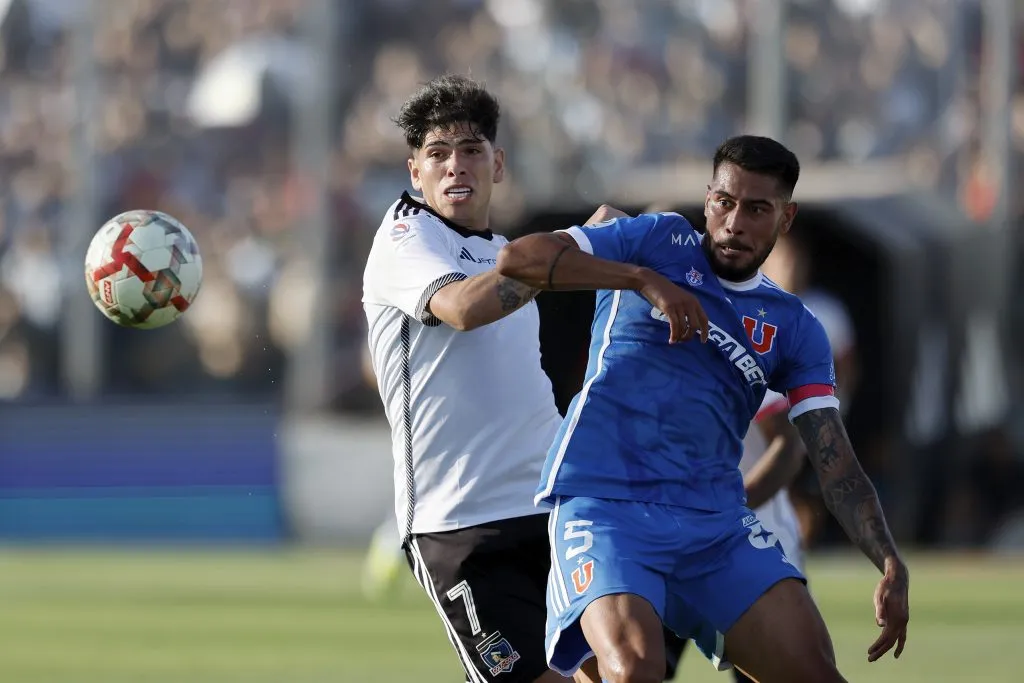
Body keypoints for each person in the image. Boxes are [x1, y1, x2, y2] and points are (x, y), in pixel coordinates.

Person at [495, 135, 910, 683]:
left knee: (816, 673)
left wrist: (888, 559)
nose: (735, 222)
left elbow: (834, 464)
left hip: (714, 523)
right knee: (634, 670)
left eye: (757, 209)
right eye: (724, 202)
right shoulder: (657, 240)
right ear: (708, 199)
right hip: (604, 506)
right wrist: (642, 280)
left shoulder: (795, 328)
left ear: (786, 219)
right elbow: (517, 258)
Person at [361, 74, 571, 683]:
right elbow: (463, 310)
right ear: (415, 172)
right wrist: (567, 251)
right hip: (460, 530)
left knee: (622, 664)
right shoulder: (405, 237)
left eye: (472, 150)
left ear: (497, 164)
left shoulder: (505, 249)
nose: (457, 166)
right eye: (438, 154)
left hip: (554, 508)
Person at [663, 389, 806, 682]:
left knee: (778, 673)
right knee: (630, 664)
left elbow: (789, 446)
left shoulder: (733, 351)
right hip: (671, 544)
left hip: (752, 548)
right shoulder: (639, 354)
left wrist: (725, 509)